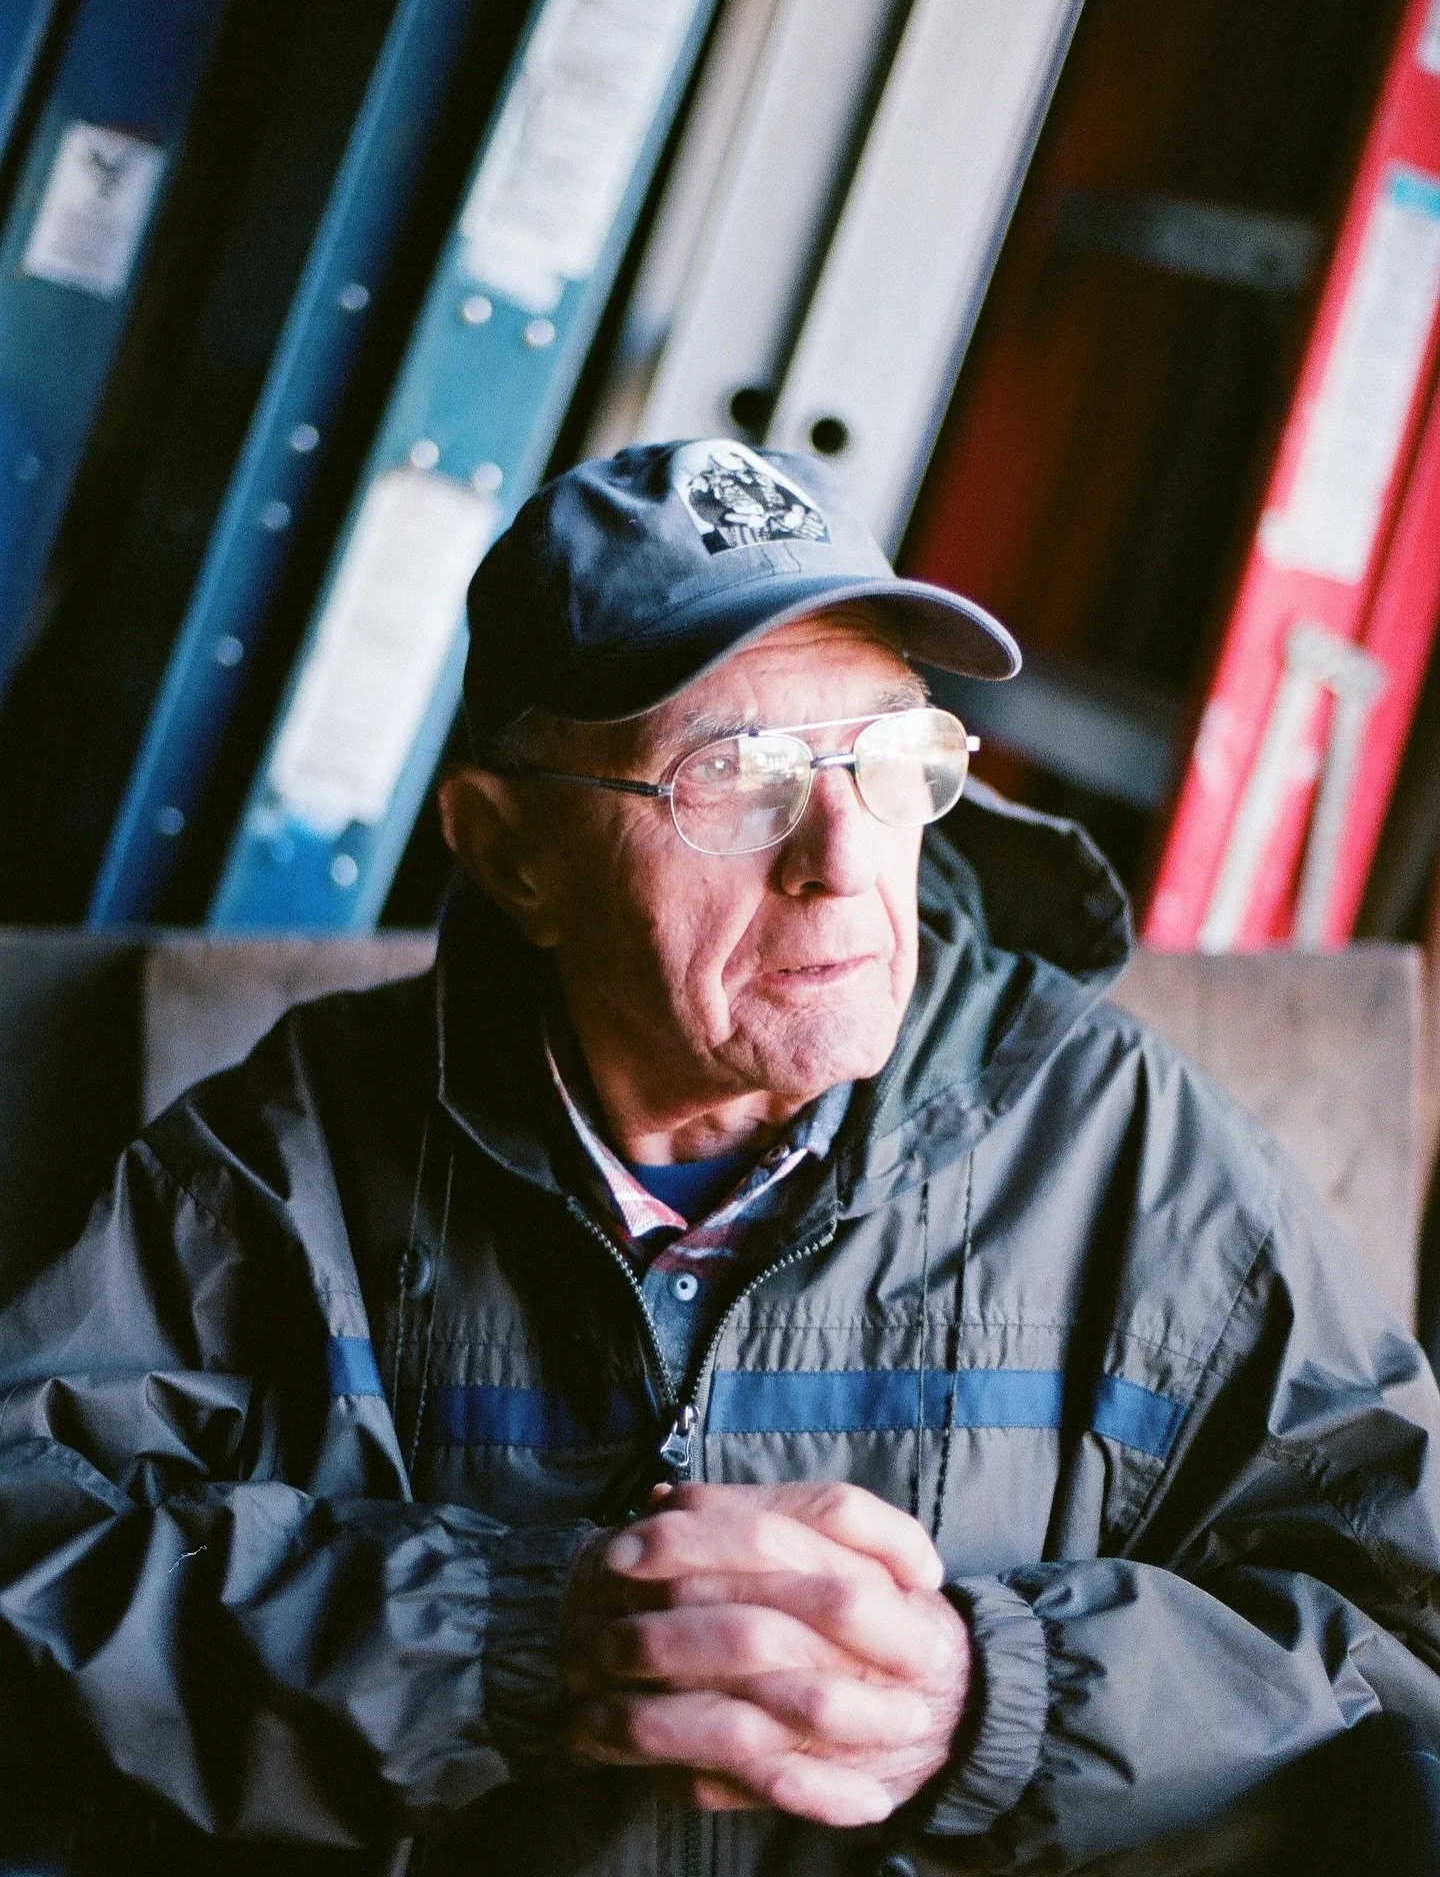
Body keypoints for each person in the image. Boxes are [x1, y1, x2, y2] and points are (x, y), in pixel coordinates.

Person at [0, 439, 1437, 1877]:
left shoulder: (1128, 1151)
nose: (843, 857)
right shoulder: (292, 1157)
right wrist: (497, 1641)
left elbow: (1406, 1635)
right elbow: (28, 1554)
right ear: (511, 856)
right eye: (732, 772)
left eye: (887, 755)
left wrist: (998, 1706)